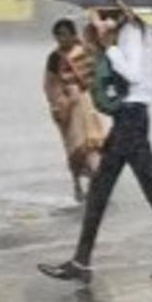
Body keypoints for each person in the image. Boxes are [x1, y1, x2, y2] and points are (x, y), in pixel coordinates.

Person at [37, 6, 152, 283]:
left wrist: (108, 46)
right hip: (128, 118)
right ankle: (83, 261)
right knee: (118, 188)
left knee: (129, 189)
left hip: (132, 118)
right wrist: (101, 43)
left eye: (103, 9)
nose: (100, 14)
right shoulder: (125, 30)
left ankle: (83, 262)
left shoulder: (133, 32)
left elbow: (134, 75)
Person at [43, 18, 106, 202]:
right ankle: (77, 186)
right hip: (67, 110)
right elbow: (50, 85)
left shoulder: (86, 51)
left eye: (64, 34)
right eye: (58, 35)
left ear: (73, 34)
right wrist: (61, 102)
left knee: (92, 143)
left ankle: (97, 184)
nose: (61, 38)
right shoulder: (54, 58)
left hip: (87, 104)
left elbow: (98, 73)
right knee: (73, 148)